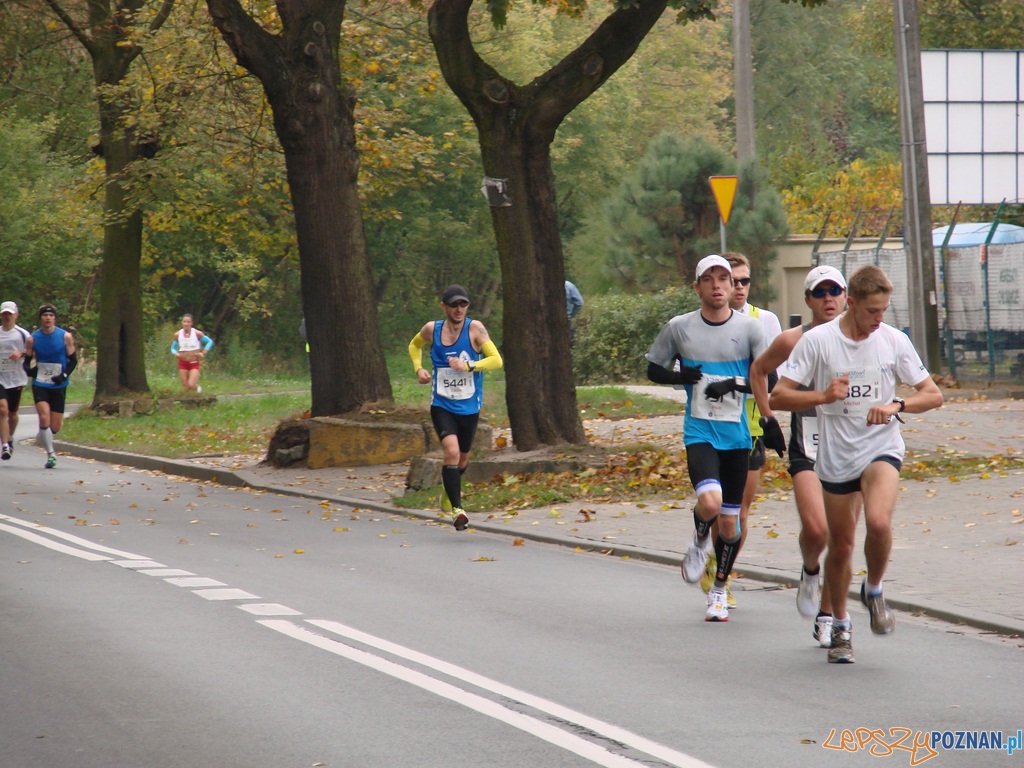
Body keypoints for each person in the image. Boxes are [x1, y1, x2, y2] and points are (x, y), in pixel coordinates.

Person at [770, 265, 943, 663]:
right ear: (851, 304)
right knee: (842, 545)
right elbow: (779, 396)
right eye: (872, 312)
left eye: (883, 311)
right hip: (836, 456)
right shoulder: (818, 342)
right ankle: (841, 626)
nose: (878, 320)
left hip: (881, 445)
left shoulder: (893, 340)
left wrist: (896, 405)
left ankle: (875, 589)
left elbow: (932, 395)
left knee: (879, 522)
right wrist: (822, 396)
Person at [645, 255, 769, 622]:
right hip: (699, 431)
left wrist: (735, 383)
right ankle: (700, 540)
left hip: (737, 436)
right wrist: (679, 379)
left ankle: (718, 589)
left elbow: (768, 381)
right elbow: (654, 368)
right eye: (708, 279)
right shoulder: (679, 328)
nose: (717, 286)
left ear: (733, 288)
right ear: (696, 287)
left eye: (724, 279)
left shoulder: (751, 330)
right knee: (710, 503)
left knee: (731, 526)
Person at [750, 265, 852, 647]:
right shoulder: (794, 340)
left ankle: (828, 614)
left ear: (847, 297)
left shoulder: (865, 339)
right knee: (817, 529)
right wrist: (767, 418)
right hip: (807, 446)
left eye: (835, 291)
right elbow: (759, 371)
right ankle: (811, 570)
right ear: (807, 300)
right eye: (820, 293)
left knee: (842, 540)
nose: (828, 299)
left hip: (853, 448)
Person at [699, 253, 785, 609]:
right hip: (710, 426)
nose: (736, 287)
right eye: (729, 280)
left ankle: (721, 572)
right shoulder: (705, 322)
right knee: (714, 505)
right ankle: (705, 536)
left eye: (743, 281)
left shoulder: (764, 321)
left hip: (748, 428)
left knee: (739, 514)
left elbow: (775, 377)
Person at [409, 284, 503, 531]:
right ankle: (457, 510)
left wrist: (470, 366)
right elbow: (414, 346)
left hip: (469, 407)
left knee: (462, 459)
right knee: (450, 451)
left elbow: (496, 360)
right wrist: (418, 368)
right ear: (444, 307)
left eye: (463, 304)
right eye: (454, 305)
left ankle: (448, 492)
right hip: (441, 403)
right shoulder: (432, 329)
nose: (459, 309)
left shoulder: (475, 329)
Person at [27, 304, 77, 469]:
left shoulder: (65, 336)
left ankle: (45, 433)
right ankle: (51, 455)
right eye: (44, 315)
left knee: (55, 426)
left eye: (50, 315)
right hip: (40, 384)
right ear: (41, 318)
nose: (47, 318)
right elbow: (26, 363)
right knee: (43, 417)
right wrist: (32, 372)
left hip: (59, 384)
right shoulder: (33, 339)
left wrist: (63, 375)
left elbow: (73, 361)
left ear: (54, 318)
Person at [0, 301, 33, 461]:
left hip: (16, 378)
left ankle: (10, 438)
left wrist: (21, 353)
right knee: (2, 410)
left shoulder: (23, 334)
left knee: (12, 414)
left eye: (10, 314)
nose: (7, 317)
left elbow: (32, 351)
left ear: (16, 315)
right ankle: (5, 445)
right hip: (0, 377)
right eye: (4, 314)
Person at [171, 314, 214, 393]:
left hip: (194, 362)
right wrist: (175, 353)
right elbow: (173, 348)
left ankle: (197, 388)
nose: (186, 324)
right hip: (183, 363)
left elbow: (209, 342)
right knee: (185, 386)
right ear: (182, 323)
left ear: (191, 323)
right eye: (184, 322)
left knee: (191, 384)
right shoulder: (177, 335)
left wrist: (203, 353)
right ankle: (187, 401)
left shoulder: (197, 333)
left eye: (188, 322)